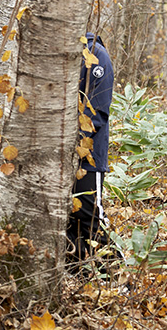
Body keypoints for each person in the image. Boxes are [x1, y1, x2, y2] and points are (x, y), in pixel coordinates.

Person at [67, 32, 115, 267]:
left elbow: (97, 111)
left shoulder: (96, 54)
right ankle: (80, 274)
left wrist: (75, 144)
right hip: (57, 154)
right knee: (69, 222)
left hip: (88, 157)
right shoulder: (58, 50)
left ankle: (118, 273)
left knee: (90, 217)